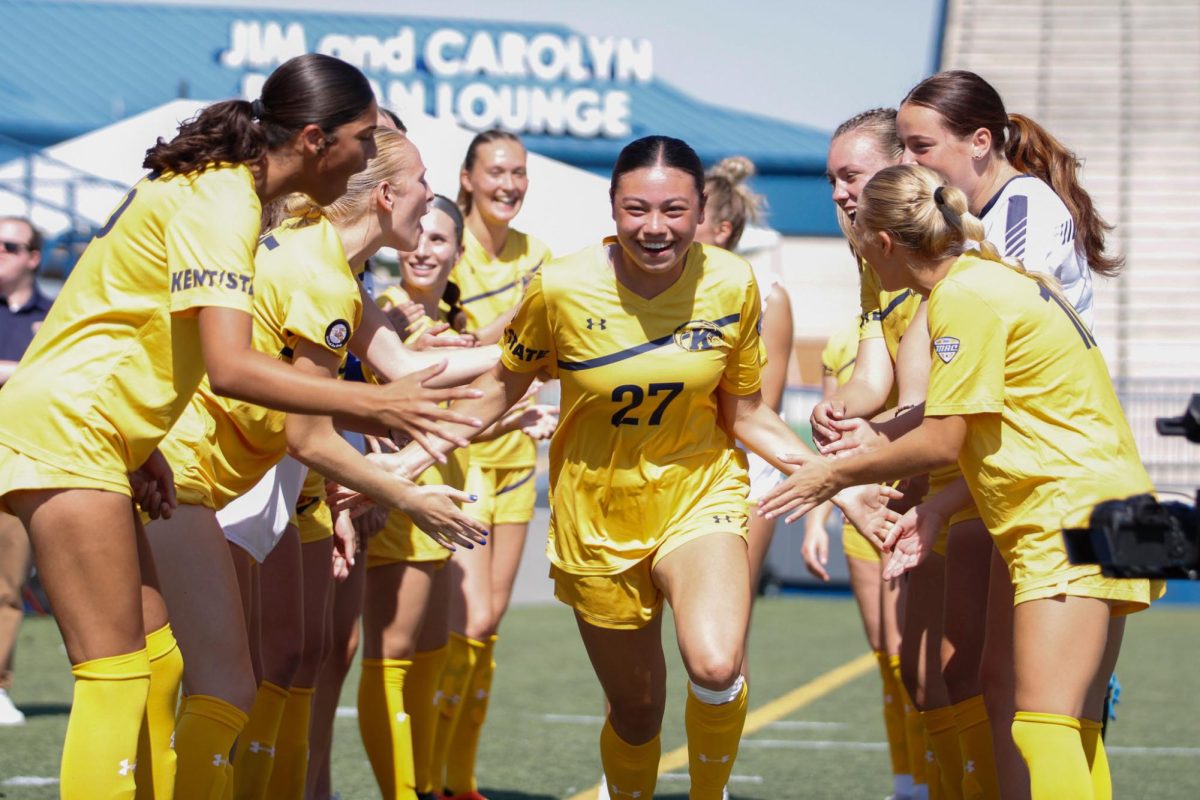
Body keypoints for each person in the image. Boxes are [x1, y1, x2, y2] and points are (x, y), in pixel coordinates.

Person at [0, 53, 478, 799]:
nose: (367, 158)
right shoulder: (226, 204)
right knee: (119, 675)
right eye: (362, 138)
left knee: (212, 681)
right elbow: (229, 367)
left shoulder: (230, 196)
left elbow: (124, 321)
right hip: (72, 423)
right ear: (318, 140)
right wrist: (377, 404)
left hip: (107, 431)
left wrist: (141, 442)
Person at [387, 134, 900, 800]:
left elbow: (746, 414)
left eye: (673, 211)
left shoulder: (732, 284)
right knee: (636, 713)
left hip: (700, 496)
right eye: (636, 209)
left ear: (699, 213)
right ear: (612, 208)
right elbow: (496, 394)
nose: (655, 228)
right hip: (595, 519)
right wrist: (400, 465)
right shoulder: (563, 286)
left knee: (716, 664)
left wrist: (846, 488)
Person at [762, 163, 1162, 800]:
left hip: (1068, 515)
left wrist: (831, 472)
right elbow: (1008, 426)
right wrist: (941, 505)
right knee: (1072, 726)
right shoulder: (991, 280)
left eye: (858, 237)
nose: (857, 249)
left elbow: (945, 438)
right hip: (1111, 507)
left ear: (884, 243)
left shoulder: (963, 297)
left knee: (1042, 726)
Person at [146, 127, 493, 799]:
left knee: (261, 671)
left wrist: (525, 355)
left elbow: (407, 371)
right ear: (387, 194)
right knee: (207, 684)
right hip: (204, 476)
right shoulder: (320, 272)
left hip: (233, 476)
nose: (433, 198)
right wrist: (406, 494)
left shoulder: (326, 262)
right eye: (423, 181)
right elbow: (312, 436)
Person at [360, 196, 556, 800]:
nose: (423, 248)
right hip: (400, 493)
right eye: (417, 236)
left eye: (438, 239)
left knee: (438, 646)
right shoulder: (387, 314)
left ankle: (436, 786)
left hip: (441, 491)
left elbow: (455, 417)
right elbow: (399, 405)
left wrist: (512, 419)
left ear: (457, 252)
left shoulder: (440, 320)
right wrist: (521, 348)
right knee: (382, 655)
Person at [430, 129, 554, 800]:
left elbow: (545, 344)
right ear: (469, 178)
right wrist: (514, 313)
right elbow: (449, 345)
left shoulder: (541, 254)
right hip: (455, 457)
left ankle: (459, 778)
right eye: (497, 171)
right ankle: (429, 777)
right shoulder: (444, 245)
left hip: (516, 458)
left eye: (519, 172)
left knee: (489, 626)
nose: (510, 182)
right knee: (468, 621)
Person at [0, 216, 51, 727]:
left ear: (33, 256)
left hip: (17, 459)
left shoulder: (55, 315)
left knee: (5, 582)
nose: (0, 252)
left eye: (9, 245)